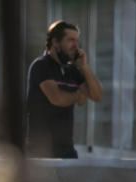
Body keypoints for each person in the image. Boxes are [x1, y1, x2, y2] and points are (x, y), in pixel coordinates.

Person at [25, 20, 104, 158]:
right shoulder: (41, 66)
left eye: (77, 41)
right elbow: (57, 98)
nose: (76, 46)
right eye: (70, 40)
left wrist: (84, 67)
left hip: (67, 150)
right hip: (41, 152)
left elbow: (97, 96)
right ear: (55, 42)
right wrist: (78, 95)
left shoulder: (72, 70)